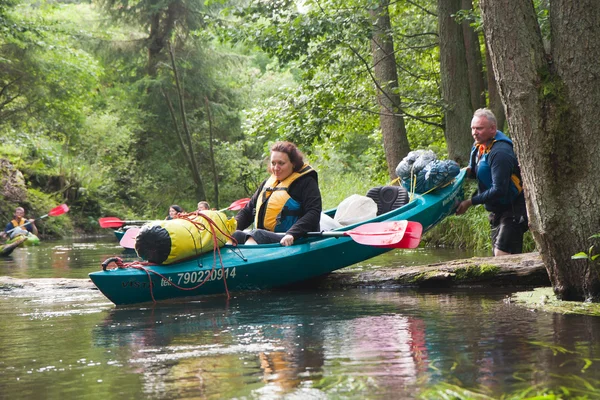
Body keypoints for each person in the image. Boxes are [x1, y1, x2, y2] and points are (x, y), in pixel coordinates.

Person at [456, 108, 528, 256]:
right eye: (473, 128)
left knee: (502, 254)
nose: (474, 132)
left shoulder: (500, 152)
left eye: (479, 128)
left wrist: (470, 202)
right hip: (497, 209)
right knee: (498, 255)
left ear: (493, 129)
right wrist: (458, 173)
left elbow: (499, 189)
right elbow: (476, 171)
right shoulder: (479, 146)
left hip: (514, 208)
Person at [232, 141, 322, 247]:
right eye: (273, 163)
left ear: (293, 163)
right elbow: (248, 211)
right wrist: (230, 227)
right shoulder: (267, 184)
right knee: (236, 234)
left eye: (281, 163)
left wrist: (292, 233)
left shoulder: (306, 182)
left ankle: (248, 260)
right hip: (267, 238)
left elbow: (313, 212)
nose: (276, 168)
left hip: (294, 238)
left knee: (257, 234)